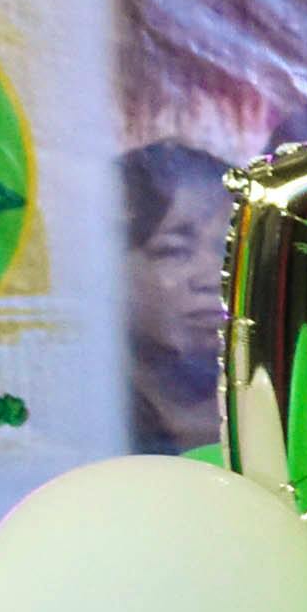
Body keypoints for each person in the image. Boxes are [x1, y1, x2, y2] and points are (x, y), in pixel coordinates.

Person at [121, 141, 235, 452]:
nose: (213, 276)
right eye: (173, 250)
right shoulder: (88, 417)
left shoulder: (300, 417)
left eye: (230, 248)